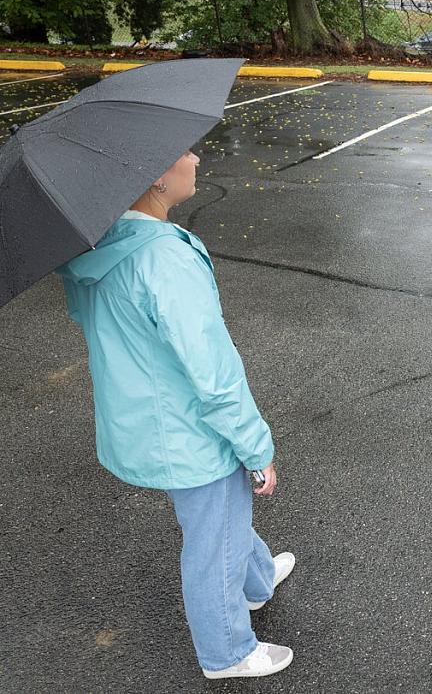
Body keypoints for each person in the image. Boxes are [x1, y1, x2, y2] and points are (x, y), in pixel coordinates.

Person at [57, 149, 295, 679]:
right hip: (190, 429)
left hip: (140, 420)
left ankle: (256, 583)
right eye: (183, 152)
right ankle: (227, 652)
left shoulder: (99, 246)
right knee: (213, 537)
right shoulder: (165, 257)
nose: (195, 156)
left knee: (220, 515)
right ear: (156, 178)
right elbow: (212, 368)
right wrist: (256, 447)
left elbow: (89, 320)